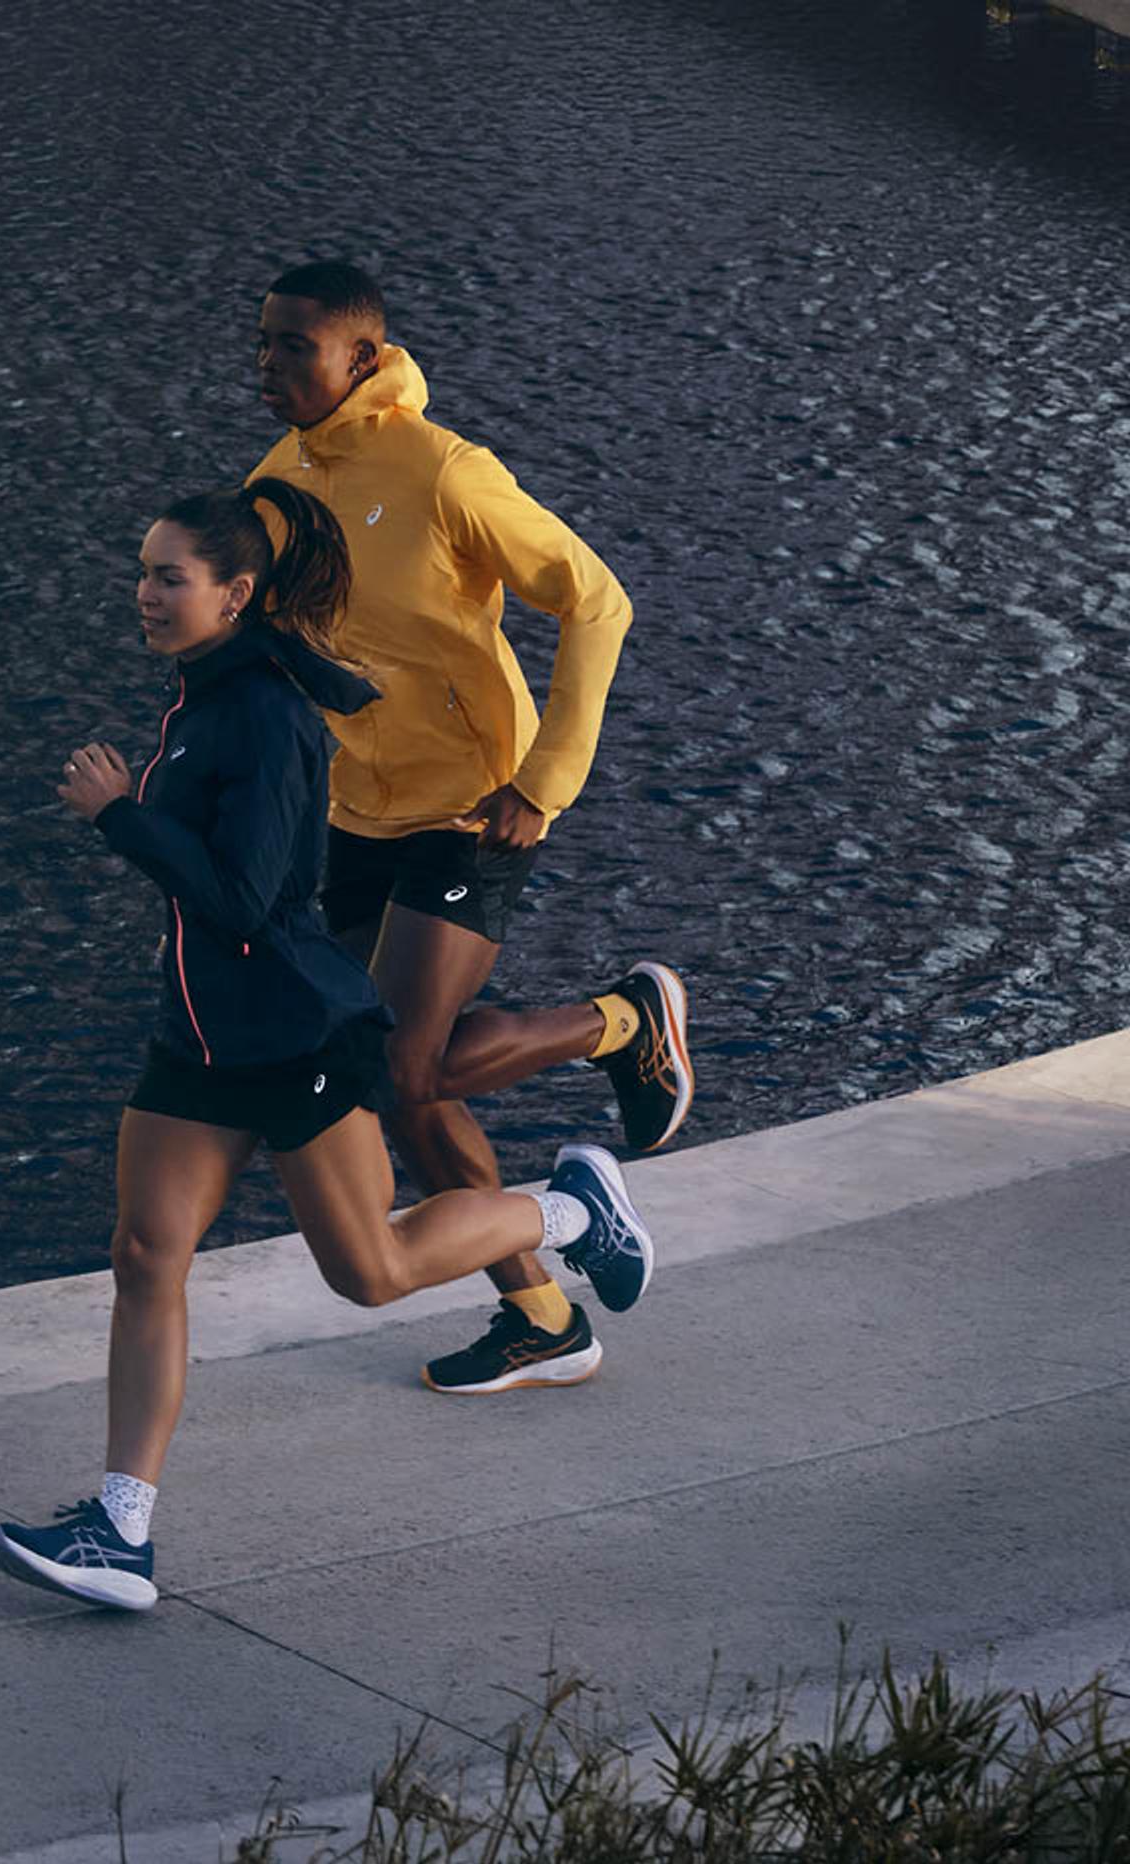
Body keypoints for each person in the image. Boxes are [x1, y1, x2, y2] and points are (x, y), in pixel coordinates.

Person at [0, 479, 654, 1611]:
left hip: (294, 1028)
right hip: (197, 1035)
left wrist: (119, 817)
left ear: (235, 593)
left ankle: (574, 1212)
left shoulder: (263, 715)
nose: (145, 592)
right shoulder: (202, 694)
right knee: (147, 1255)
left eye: (169, 576)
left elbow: (249, 900)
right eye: (144, 570)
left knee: (372, 1271)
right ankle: (121, 1531)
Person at [249, 261, 693, 1398]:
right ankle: (545, 1317)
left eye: (296, 344)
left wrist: (545, 780)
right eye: (263, 342)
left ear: (361, 355)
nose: (270, 362)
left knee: (412, 1063)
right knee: (383, 1071)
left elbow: (596, 599)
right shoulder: (275, 481)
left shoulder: (444, 470)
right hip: (355, 812)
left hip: (471, 807)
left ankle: (621, 1020)